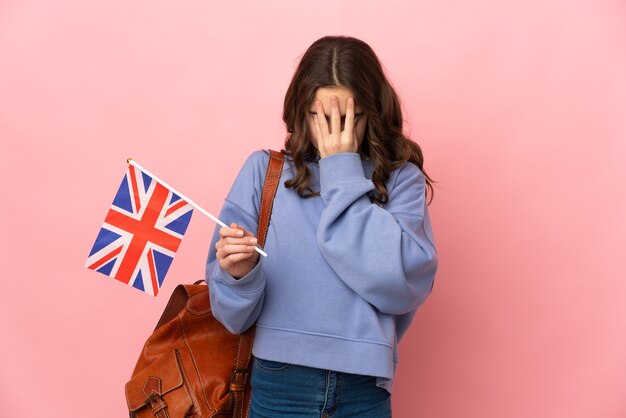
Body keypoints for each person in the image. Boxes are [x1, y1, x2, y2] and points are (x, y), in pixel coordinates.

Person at [205, 35, 438, 418]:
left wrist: (341, 169)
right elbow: (231, 316)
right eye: (320, 117)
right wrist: (240, 275)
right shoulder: (265, 173)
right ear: (301, 111)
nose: (334, 133)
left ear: (373, 111)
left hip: (363, 390)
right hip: (279, 384)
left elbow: (401, 286)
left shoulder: (401, 180)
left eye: (349, 118)